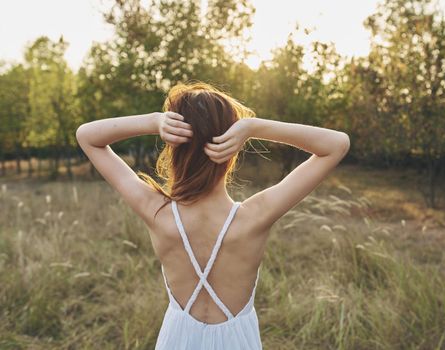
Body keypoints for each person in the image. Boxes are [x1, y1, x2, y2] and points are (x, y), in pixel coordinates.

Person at [75, 82, 350, 349]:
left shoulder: (157, 212)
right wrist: (253, 127)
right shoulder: (254, 217)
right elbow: (336, 144)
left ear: (174, 148)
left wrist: (155, 121)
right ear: (232, 149)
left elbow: (87, 136)